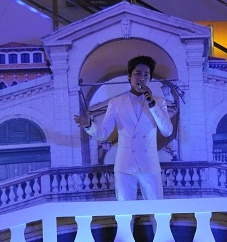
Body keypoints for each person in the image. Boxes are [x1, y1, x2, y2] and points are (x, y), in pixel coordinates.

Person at [74, 55, 173, 201]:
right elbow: (103, 134)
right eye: (138, 73)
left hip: (149, 165)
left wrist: (151, 103)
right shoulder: (116, 103)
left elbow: (167, 131)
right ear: (129, 76)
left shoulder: (158, 102)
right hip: (125, 165)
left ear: (150, 79)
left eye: (146, 75)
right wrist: (89, 125)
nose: (142, 78)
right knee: (125, 211)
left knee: (156, 209)